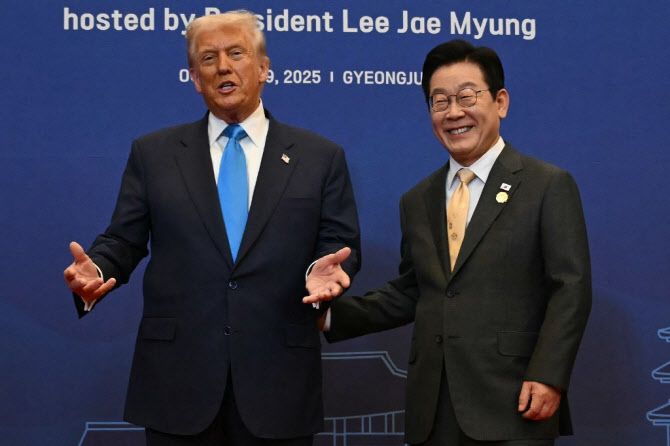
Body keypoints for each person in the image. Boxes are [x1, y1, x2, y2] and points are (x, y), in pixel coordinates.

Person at [63, 10, 360, 446]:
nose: (223, 66)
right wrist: (99, 268)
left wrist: (322, 270)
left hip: (277, 380)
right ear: (195, 79)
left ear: (263, 68)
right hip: (177, 381)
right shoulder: (154, 154)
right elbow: (123, 239)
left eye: (236, 54)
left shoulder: (320, 157)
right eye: (208, 58)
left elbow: (339, 241)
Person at [304, 40, 591, 446]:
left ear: (500, 102)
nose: (453, 112)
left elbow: (570, 289)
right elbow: (414, 291)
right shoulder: (417, 200)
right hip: (434, 407)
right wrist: (328, 315)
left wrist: (549, 375)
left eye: (467, 97)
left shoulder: (546, 185)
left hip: (514, 401)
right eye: (440, 102)